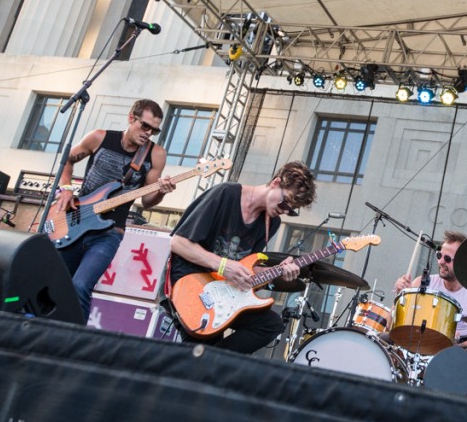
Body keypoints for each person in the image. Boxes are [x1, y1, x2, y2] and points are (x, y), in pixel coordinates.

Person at [168, 161, 317, 354]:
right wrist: (222, 265)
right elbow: (178, 242)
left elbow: (244, 268)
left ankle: (209, 363)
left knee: (270, 324)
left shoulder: (271, 223)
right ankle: (205, 363)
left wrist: (278, 271)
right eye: (285, 202)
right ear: (275, 183)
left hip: (222, 293)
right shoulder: (225, 194)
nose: (285, 210)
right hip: (190, 285)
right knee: (205, 346)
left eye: (292, 209)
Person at [55, 99, 176, 318]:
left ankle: (74, 343)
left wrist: (161, 191)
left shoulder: (156, 155)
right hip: (74, 223)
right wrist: (65, 188)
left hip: (109, 234)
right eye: (145, 126)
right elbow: (67, 160)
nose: (148, 133)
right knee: (55, 284)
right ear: (131, 118)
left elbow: (147, 201)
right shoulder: (99, 137)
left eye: (154, 130)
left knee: (80, 286)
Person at [394, 230, 467, 353]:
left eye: (447, 258)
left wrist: (461, 341)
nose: (440, 262)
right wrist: (400, 296)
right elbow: (391, 326)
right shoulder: (422, 283)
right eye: (439, 255)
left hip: (453, 359)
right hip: (418, 351)